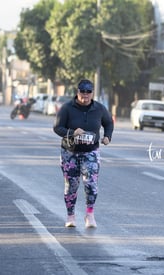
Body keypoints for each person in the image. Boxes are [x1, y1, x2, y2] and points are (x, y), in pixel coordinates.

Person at [53, 79, 114, 228]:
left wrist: (107, 136)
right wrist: (72, 133)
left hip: (91, 152)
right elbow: (57, 128)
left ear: (92, 93)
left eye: (88, 92)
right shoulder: (67, 108)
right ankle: (71, 216)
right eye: (82, 92)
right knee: (71, 186)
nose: (85, 95)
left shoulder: (99, 109)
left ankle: (90, 215)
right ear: (77, 92)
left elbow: (109, 123)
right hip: (70, 153)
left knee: (91, 184)